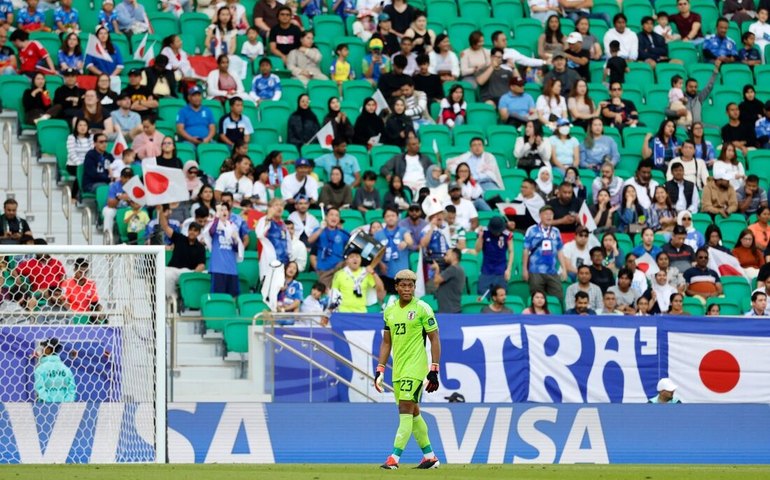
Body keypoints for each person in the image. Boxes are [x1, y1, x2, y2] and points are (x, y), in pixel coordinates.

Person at [375, 268, 440, 470]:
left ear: (414, 287)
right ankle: (430, 457)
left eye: (410, 285)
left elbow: (434, 338)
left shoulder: (422, 308)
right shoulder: (389, 311)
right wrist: (380, 368)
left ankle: (394, 458)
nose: (406, 289)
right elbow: (387, 342)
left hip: (415, 367)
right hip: (399, 369)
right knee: (413, 413)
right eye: (402, 285)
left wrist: (434, 369)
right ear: (396, 287)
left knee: (404, 409)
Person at [160, 203, 206, 302]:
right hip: (173, 270)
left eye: (195, 231)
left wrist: (194, 274)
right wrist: (160, 211)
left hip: (188, 272)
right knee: (165, 273)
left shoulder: (201, 247)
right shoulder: (179, 238)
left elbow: (201, 265)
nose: (192, 232)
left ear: (198, 233)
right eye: (191, 230)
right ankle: (170, 298)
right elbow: (164, 226)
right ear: (188, 230)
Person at [523, 205, 568, 304]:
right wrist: (524, 270)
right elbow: (526, 250)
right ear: (540, 216)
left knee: (558, 297)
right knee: (536, 299)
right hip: (535, 271)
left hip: (552, 270)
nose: (549, 216)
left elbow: (560, 250)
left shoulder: (556, 231)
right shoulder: (532, 230)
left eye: (551, 214)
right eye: (546, 214)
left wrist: (564, 268)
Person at [204, 203, 243, 296]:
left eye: (226, 210)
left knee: (233, 296)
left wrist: (235, 240)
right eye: (221, 210)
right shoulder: (213, 224)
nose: (224, 212)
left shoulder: (233, 227)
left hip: (231, 267)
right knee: (217, 296)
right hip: (218, 267)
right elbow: (211, 232)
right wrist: (216, 217)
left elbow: (236, 249)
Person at [667, 61, 720, 125]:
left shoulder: (699, 97)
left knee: (716, 129)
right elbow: (666, 111)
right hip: (684, 126)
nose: (693, 89)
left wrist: (715, 72)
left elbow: (709, 87)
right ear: (686, 87)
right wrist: (676, 113)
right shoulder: (679, 97)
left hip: (698, 126)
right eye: (691, 87)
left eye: (695, 87)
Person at [309, 207, 350, 287]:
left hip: (339, 267)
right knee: (325, 294)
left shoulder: (343, 233)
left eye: (337, 216)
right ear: (326, 217)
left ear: (339, 219)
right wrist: (321, 228)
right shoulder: (319, 230)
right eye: (331, 215)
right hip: (324, 269)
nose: (334, 217)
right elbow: (310, 240)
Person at [475, 216, 513, 295]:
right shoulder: (484, 231)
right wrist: (480, 236)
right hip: (486, 270)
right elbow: (477, 249)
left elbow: (511, 251)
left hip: (501, 270)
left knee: (501, 296)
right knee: (483, 295)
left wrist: (508, 269)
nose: (497, 233)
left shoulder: (507, 234)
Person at [34, 338, 76, 403]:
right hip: (64, 409)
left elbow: (40, 389)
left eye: (43, 347)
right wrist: (66, 404)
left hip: (44, 408)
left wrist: (50, 404)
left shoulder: (40, 369)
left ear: (48, 349)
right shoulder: (66, 369)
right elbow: (72, 390)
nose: (42, 350)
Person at [432, 247, 464, 314]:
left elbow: (436, 280)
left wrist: (437, 269)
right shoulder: (458, 269)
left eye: (447, 255)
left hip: (450, 310)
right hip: (449, 309)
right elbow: (437, 285)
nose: (444, 257)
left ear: (454, 256)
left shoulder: (453, 269)